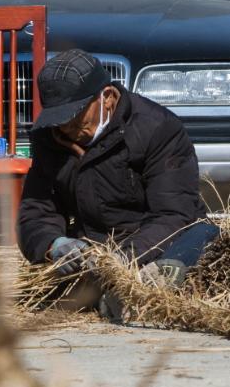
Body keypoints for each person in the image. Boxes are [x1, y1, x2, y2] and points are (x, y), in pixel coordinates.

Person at [17, 49, 218, 314]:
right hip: (93, 252)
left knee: (204, 235)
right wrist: (53, 244)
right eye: (59, 119)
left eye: (76, 117)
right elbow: (36, 210)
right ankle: (122, 295)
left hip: (152, 243)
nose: (66, 128)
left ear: (108, 98)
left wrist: (121, 260)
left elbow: (173, 214)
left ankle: (141, 289)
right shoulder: (49, 138)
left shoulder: (158, 128)